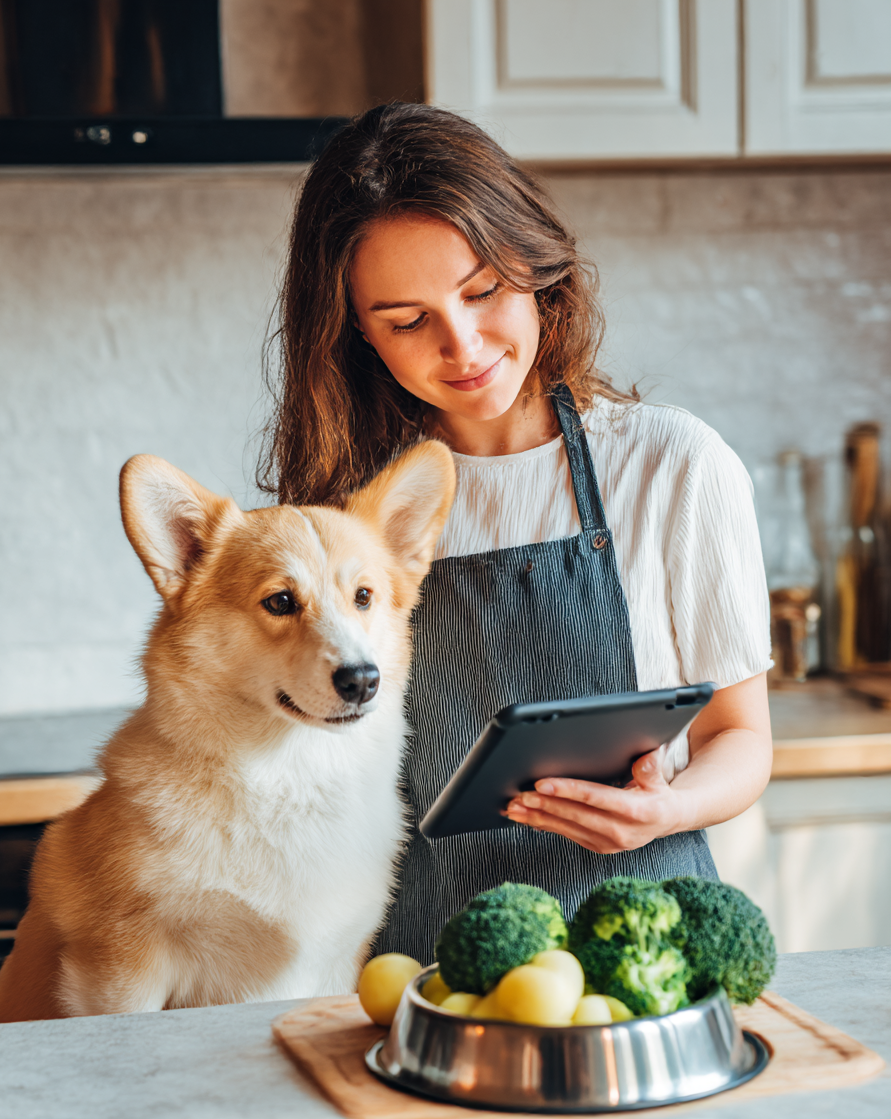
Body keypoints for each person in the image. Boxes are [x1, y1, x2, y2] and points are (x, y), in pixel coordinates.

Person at [258, 103, 773, 965]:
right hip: (427, 971)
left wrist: (669, 807)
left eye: (483, 291)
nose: (462, 346)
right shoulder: (350, 519)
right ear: (356, 334)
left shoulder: (674, 465)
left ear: (533, 266)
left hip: (647, 961)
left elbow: (740, 737)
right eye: (406, 320)